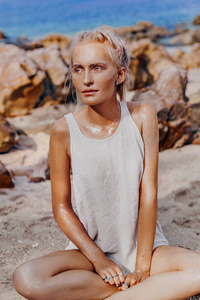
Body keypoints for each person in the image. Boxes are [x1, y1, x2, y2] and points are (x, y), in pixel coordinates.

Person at [13, 29, 200, 300]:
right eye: (78, 69)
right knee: (27, 279)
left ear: (120, 74)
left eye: (97, 67)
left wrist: (142, 269)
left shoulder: (142, 117)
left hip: (144, 248)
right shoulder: (63, 131)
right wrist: (99, 261)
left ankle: (121, 293)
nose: (86, 79)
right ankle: (142, 293)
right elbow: (61, 206)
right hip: (89, 254)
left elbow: (148, 195)